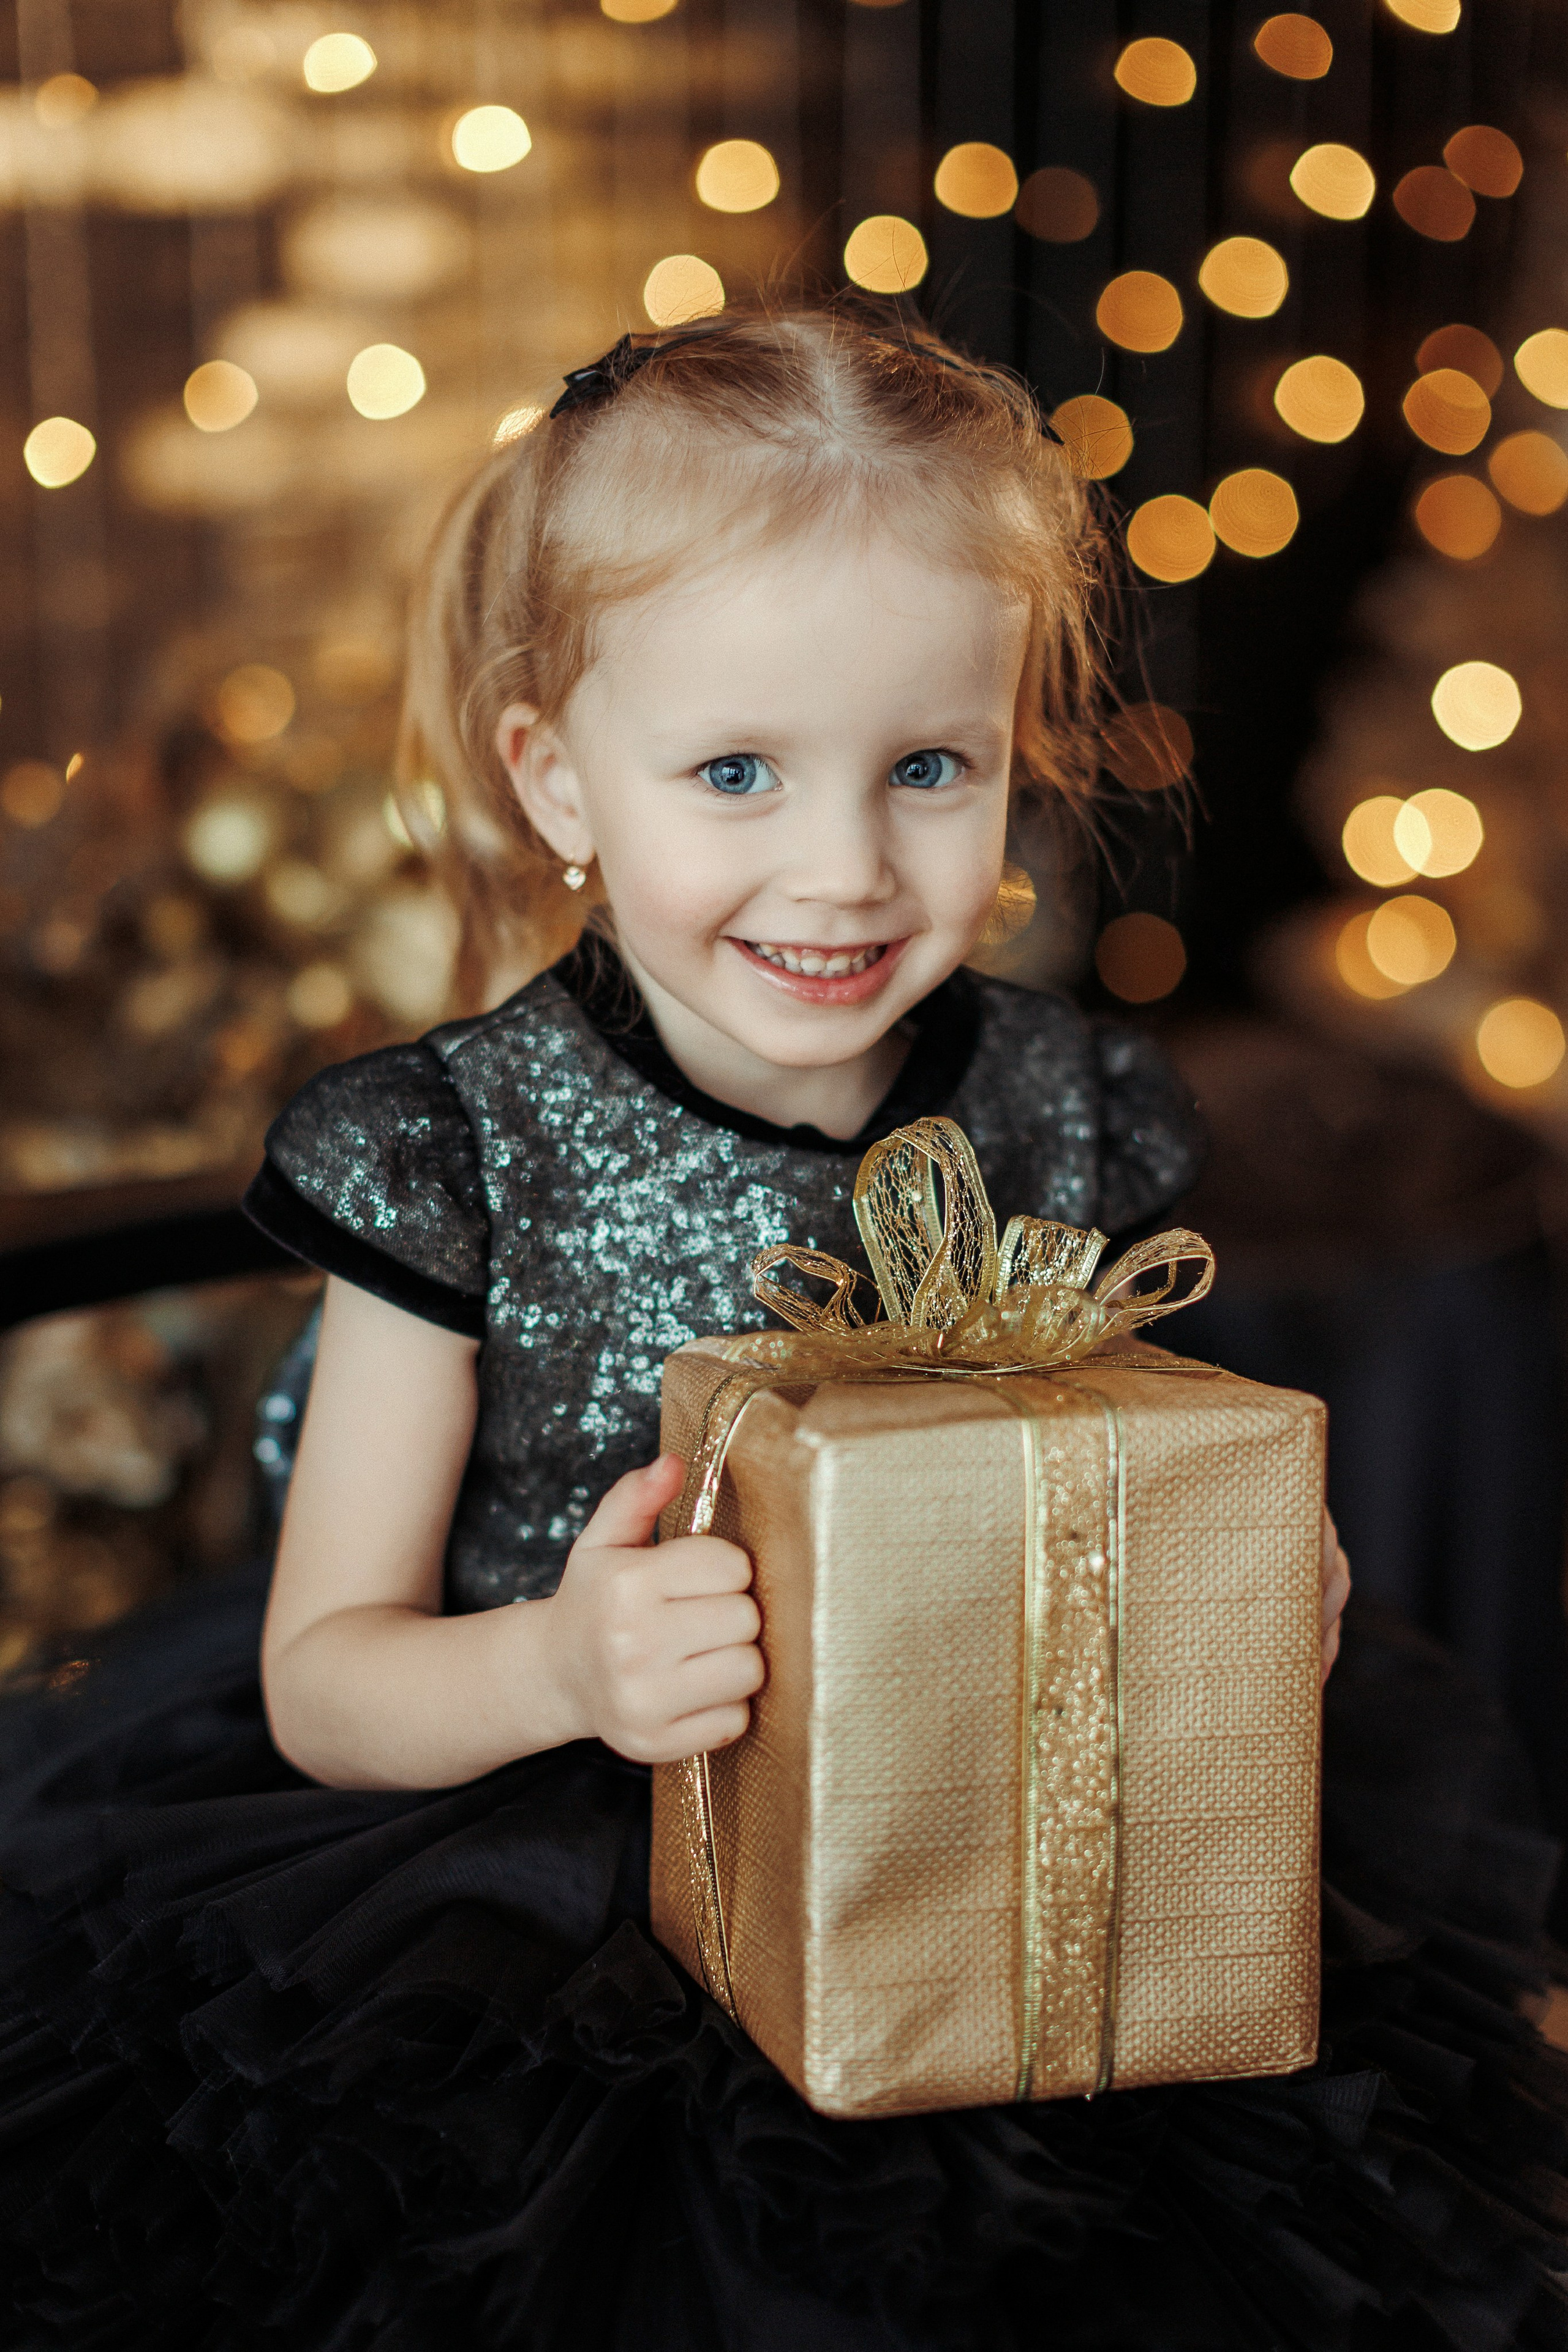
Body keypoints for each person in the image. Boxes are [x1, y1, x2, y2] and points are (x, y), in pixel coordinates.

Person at [0, 304, 1562, 2351]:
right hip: (543, 1876)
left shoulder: (1064, 1104)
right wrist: (570, 1661)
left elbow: (1096, 1436)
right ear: (555, 776)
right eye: (734, 770)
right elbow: (329, 1687)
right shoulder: (454, 1149)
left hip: (978, 1843)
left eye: (932, 768)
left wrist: (1217, 1586)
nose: (842, 871)